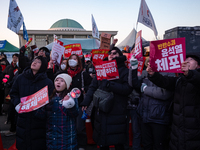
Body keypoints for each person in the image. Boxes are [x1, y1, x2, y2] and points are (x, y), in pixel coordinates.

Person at [81, 47, 133, 150]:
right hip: (102, 110)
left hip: (118, 110)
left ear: (120, 56)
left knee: (118, 141)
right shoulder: (101, 68)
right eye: (110, 53)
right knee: (102, 140)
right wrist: (86, 101)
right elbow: (92, 87)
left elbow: (127, 89)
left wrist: (110, 84)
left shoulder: (124, 71)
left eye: (115, 53)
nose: (111, 55)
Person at [146, 52, 200, 150]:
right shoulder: (179, 80)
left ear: (198, 65)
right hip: (177, 132)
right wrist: (153, 74)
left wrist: (189, 74)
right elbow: (165, 81)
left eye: (191, 59)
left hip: (194, 132)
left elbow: (196, 79)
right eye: (186, 59)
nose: (187, 60)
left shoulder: (196, 78)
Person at [10, 56, 54, 150]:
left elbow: (51, 100)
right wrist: (17, 104)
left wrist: (41, 111)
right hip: (23, 118)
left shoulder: (48, 82)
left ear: (43, 66)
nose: (34, 63)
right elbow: (13, 93)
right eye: (34, 61)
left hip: (39, 121)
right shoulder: (20, 78)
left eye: (38, 62)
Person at [137, 57, 174, 150]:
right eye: (149, 61)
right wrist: (132, 69)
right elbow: (133, 83)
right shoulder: (145, 73)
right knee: (146, 145)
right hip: (145, 116)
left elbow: (164, 94)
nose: (150, 63)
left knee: (159, 145)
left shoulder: (169, 72)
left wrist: (145, 89)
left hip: (159, 117)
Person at [63, 54, 92, 150]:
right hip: (66, 104)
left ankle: (81, 146)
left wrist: (85, 89)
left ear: (78, 61)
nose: (72, 60)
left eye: (75, 59)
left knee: (79, 127)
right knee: (67, 126)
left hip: (79, 104)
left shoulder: (83, 74)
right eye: (71, 59)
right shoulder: (63, 74)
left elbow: (92, 86)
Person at [46, 73, 79, 150]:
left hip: (66, 137)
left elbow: (75, 114)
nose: (58, 82)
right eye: (56, 80)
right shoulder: (50, 97)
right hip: (52, 136)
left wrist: (70, 104)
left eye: (62, 81)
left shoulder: (70, 97)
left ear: (67, 84)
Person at [3, 53, 19, 136]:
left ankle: (13, 126)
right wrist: (5, 82)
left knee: (14, 108)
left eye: (16, 58)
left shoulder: (19, 68)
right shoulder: (9, 67)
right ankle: (9, 120)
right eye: (14, 57)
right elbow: (5, 75)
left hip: (16, 90)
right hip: (8, 89)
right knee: (8, 105)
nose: (15, 59)